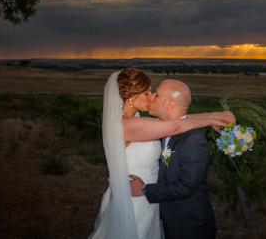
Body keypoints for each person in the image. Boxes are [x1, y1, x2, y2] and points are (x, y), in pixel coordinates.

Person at [89, 69, 233, 239]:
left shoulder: (134, 118)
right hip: (134, 198)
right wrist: (210, 121)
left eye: (152, 92)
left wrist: (211, 115)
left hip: (150, 197)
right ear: (128, 94)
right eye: (147, 92)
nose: (150, 97)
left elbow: (173, 119)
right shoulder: (125, 124)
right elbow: (175, 126)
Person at [129, 80, 216, 239]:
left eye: (157, 94)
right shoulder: (159, 130)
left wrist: (144, 190)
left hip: (187, 226)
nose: (151, 97)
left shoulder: (192, 139)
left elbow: (186, 186)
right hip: (164, 220)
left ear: (170, 104)